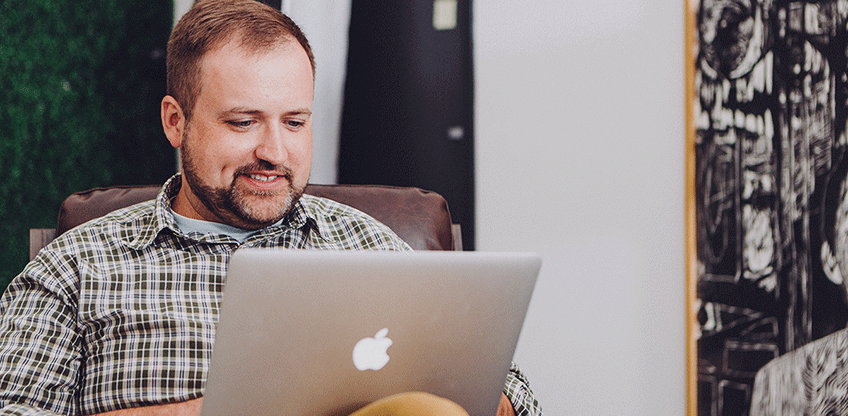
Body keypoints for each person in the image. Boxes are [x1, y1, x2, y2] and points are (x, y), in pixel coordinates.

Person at [0, 1, 542, 415]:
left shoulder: (371, 245)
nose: (274, 153)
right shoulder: (76, 266)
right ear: (175, 121)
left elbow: (519, 398)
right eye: (243, 122)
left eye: (294, 122)